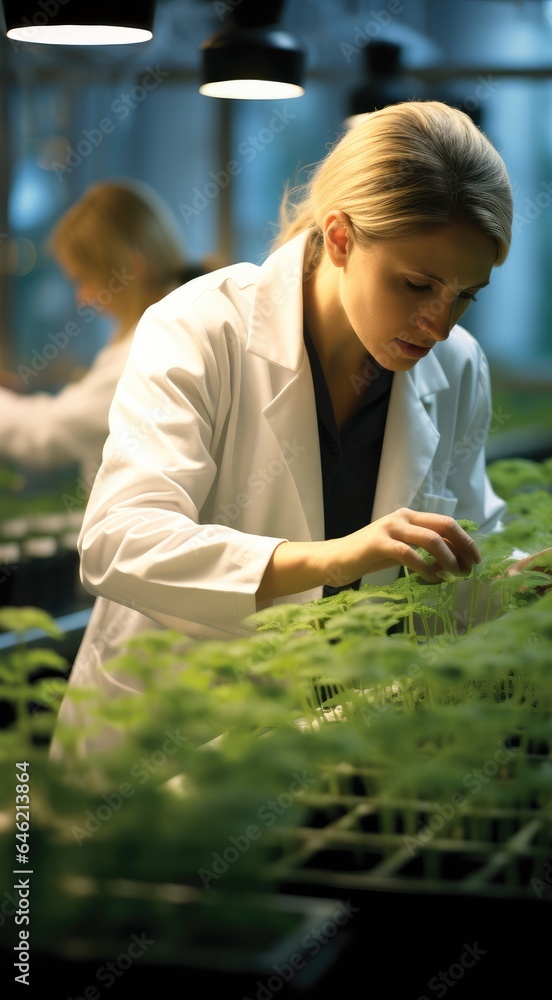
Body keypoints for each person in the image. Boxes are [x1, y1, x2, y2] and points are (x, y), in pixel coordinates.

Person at [52, 100, 521, 757]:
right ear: (339, 239)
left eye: (466, 294)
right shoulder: (200, 327)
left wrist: (526, 579)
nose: (439, 324)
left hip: (328, 744)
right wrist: (334, 557)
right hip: (165, 744)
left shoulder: (456, 366)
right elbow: (118, 541)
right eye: (417, 285)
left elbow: (464, 554)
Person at [0, 179, 189, 493]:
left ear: (132, 267)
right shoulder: (168, 323)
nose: (82, 298)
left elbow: (47, 433)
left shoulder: (150, 349)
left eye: (84, 279)